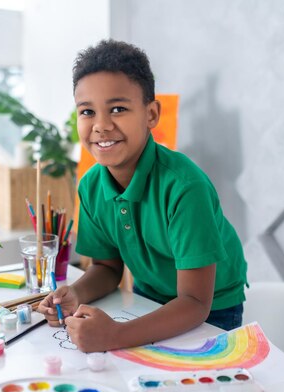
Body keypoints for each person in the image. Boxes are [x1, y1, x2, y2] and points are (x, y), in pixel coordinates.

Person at [38, 39, 247, 353]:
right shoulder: (92, 184)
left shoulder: (184, 186)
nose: (101, 125)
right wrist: (76, 293)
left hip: (212, 308)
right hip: (147, 298)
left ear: (151, 114)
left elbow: (195, 303)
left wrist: (114, 336)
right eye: (87, 111)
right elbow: (108, 269)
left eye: (118, 109)